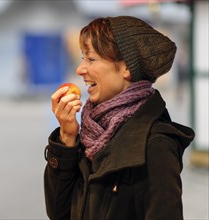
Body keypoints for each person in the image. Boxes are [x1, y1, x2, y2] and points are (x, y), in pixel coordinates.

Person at [44, 16, 195, 220]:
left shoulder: (155, 144)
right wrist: (66, 139)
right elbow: (58, 212)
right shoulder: (91, 132)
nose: (80, 69)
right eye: (82, 58)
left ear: (127, 68)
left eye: (91, 59)